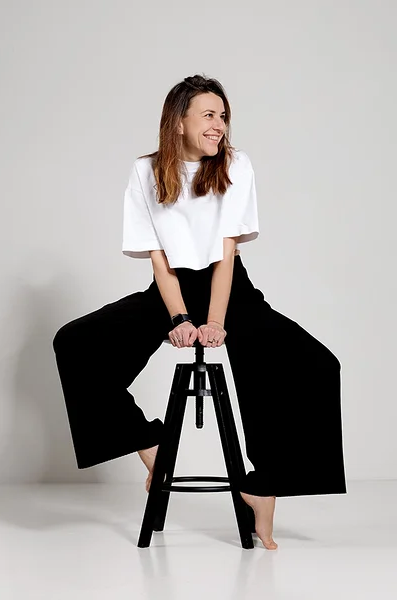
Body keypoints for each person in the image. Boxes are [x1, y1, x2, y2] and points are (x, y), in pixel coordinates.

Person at [53, 74, 347, 551]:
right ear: (179, 121)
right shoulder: (146, 171)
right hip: (170, 290)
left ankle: (264, 484)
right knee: (74, 342)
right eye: (209, 115)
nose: (219, 125)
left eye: (223, 116)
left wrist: (214, 321)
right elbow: (159, 259)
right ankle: (150, 444)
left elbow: (225, 256)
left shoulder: (236, 165)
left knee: (317, 365)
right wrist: (178, 319)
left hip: (229, 290)